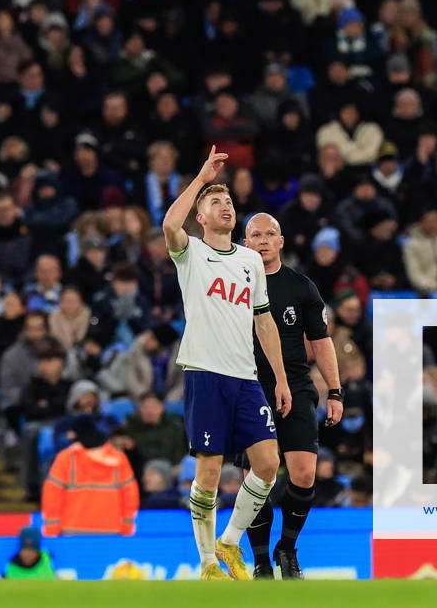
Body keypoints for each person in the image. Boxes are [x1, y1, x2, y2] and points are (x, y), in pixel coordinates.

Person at [161, 146, 291, 580]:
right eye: (215, 203)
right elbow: (167, 224)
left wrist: (282, 379)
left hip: (247, 377)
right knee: (210, 471)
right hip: (204, 372)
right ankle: (205, 564)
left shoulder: (252, 260)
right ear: (200, 216)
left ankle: (229, 541)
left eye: (229, 201)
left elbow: (265, 322)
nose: (226, 206)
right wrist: (200, 180)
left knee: (269, 464)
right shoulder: (191, 253)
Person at [242, 213, 343, 579]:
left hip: (297, 386)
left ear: (281, 241)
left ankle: (286, 548)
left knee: (304, 472)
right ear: (245, 242)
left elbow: (322, 342)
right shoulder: (234, 284)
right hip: (248, 388)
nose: (264, 240)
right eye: (256, 234)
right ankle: (259, 562)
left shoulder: (301, 287)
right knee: (257, 477)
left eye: (271, 234)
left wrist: (335, 391)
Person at [42, 415, 138, 537]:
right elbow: (130, 497)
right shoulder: (119, 459)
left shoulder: (65, 459)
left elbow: (52, 498)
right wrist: (127, 529)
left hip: (72, 530)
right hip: (111, 530)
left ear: (75, 434)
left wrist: (51, 532)